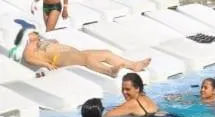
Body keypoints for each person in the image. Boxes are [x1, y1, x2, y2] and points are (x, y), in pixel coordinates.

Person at [13, 27, 150, 78]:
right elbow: (28, 58)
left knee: (106, 52)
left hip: (71, 53)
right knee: (86, 59)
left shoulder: (40, 41)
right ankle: (109, 71)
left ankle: (133, 65)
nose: (34, 33)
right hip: (59, 58)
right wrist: (46, 64)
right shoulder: (31, 45)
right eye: (31, 33)